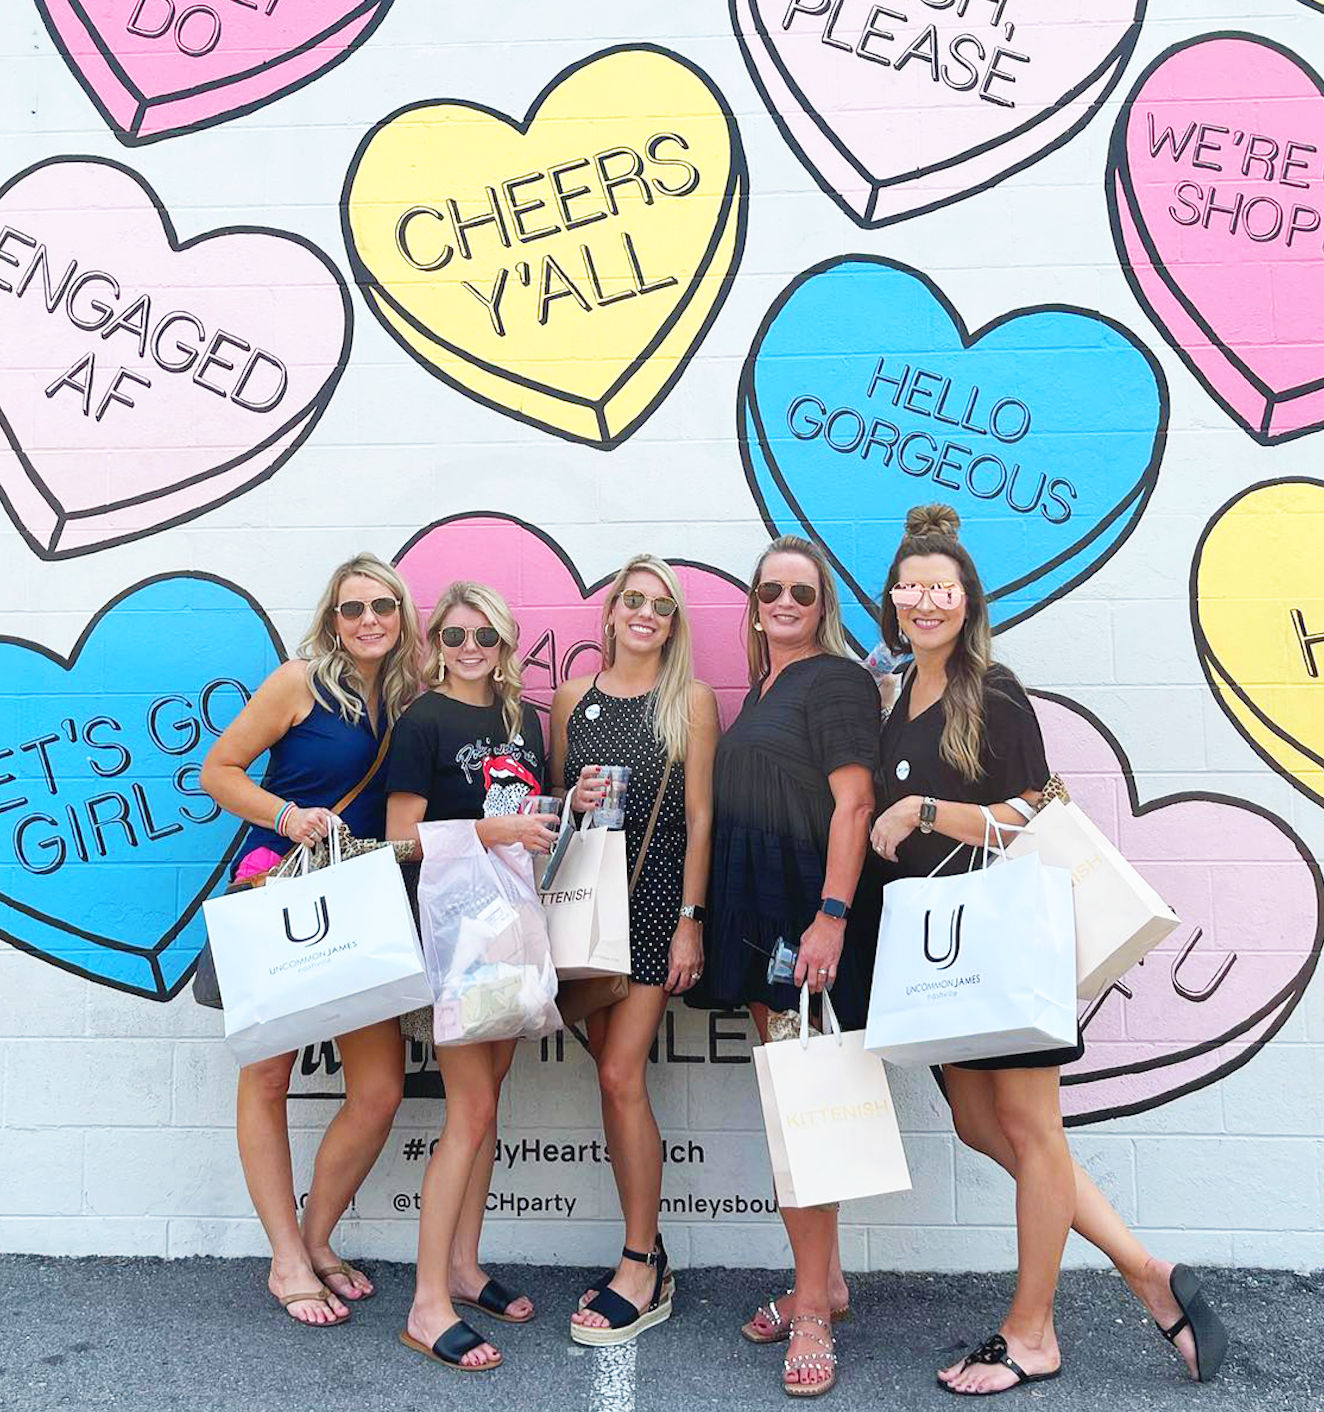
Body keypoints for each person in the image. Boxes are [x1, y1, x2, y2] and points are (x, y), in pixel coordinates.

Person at [869, 503, 1229, 1395]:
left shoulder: (991, 689)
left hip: (1002, 941)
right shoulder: (898, 695)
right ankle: (1150, 1275)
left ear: (967, 601)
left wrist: (921, 812)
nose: (926, 603)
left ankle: (1032, 1332)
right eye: (912, 588)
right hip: (943, 956)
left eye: (942, 589)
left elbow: (1036, 812)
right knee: (982, 1125)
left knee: (1030, 1133)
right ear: (893, 600)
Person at [200, 553, 423, 1327]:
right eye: (353, 608)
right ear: (333, 618)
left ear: (402, 617)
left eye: (383, 608)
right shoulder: (298, 683)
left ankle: (317, 1238)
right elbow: (217, 770)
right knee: (266, 1080)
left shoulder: (408, 696)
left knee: (380, 1090)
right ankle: (287, 1259)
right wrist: (284, 814)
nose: (369, 621)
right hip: (285, 898)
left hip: (363, 904)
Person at [687, 534, 879, 1397]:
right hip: (766, 926)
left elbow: (856, 802)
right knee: (792, 1112)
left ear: (823, 603)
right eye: (772, 591)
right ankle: (824, 1283)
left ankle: (811, 1310)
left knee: (805, 1120)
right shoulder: (763, 686)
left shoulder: (833, 680)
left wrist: (830, 917)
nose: (786, 604)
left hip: (806, 926)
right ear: (755, 603)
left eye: (802, 591)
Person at [386, 581, 555, 1373]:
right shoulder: (423, 719)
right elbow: (401, 838)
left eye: (483, 634)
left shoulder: (524, 724)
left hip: (516, 929)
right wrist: (495, 830)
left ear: (506, 639)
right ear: (435, 645)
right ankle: (427, 1303)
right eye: (453, 636)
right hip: (457, 939)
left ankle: (463, 1264)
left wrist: (564, 808)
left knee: (487, 1112)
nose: (469, 648)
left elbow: (532, 821)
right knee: (469, 1111)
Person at [552, 556, 720, 1347]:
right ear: (612, 613)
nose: (646, 613)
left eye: (661, 605)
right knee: (613, 1083)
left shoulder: (690, 701)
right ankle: (646, 1249)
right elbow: (553, 822)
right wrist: (569, 798)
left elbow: (700, 817)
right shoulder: (568, 700)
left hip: (653, 914)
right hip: (584, 918)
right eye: (634, 601)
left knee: (621, 1076)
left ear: (673, 621)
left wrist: (691, 919)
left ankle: (638, 1259)